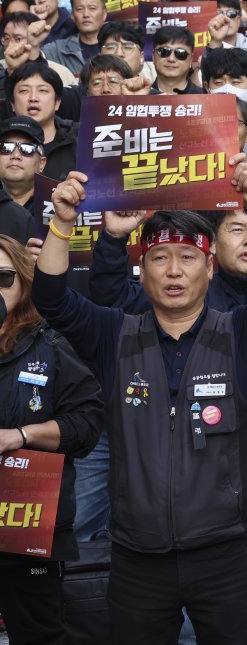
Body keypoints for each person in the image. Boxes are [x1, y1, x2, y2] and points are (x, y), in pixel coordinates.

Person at [31, 156, 247, 644]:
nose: (174, 271)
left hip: (225, 555)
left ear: (210, 266)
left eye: (187, 257)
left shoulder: (241, 333)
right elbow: (51, 298)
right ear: (143, 268)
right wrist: (64, 222)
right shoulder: (115, 336)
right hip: (139, 559)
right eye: (160, 258)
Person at [0, 234, 102, 643]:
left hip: (29, 526)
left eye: (3, 277)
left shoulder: (53, 345)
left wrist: (21, 435)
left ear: (24, 282)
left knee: (39, 634)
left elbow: (87, 423)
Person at [149, 26, 202, 95]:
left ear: (191, 60)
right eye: (164, 51)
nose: (171, 59)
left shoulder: (205, 97)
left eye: (180, 53)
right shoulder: (139, 97)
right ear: (153, 56)